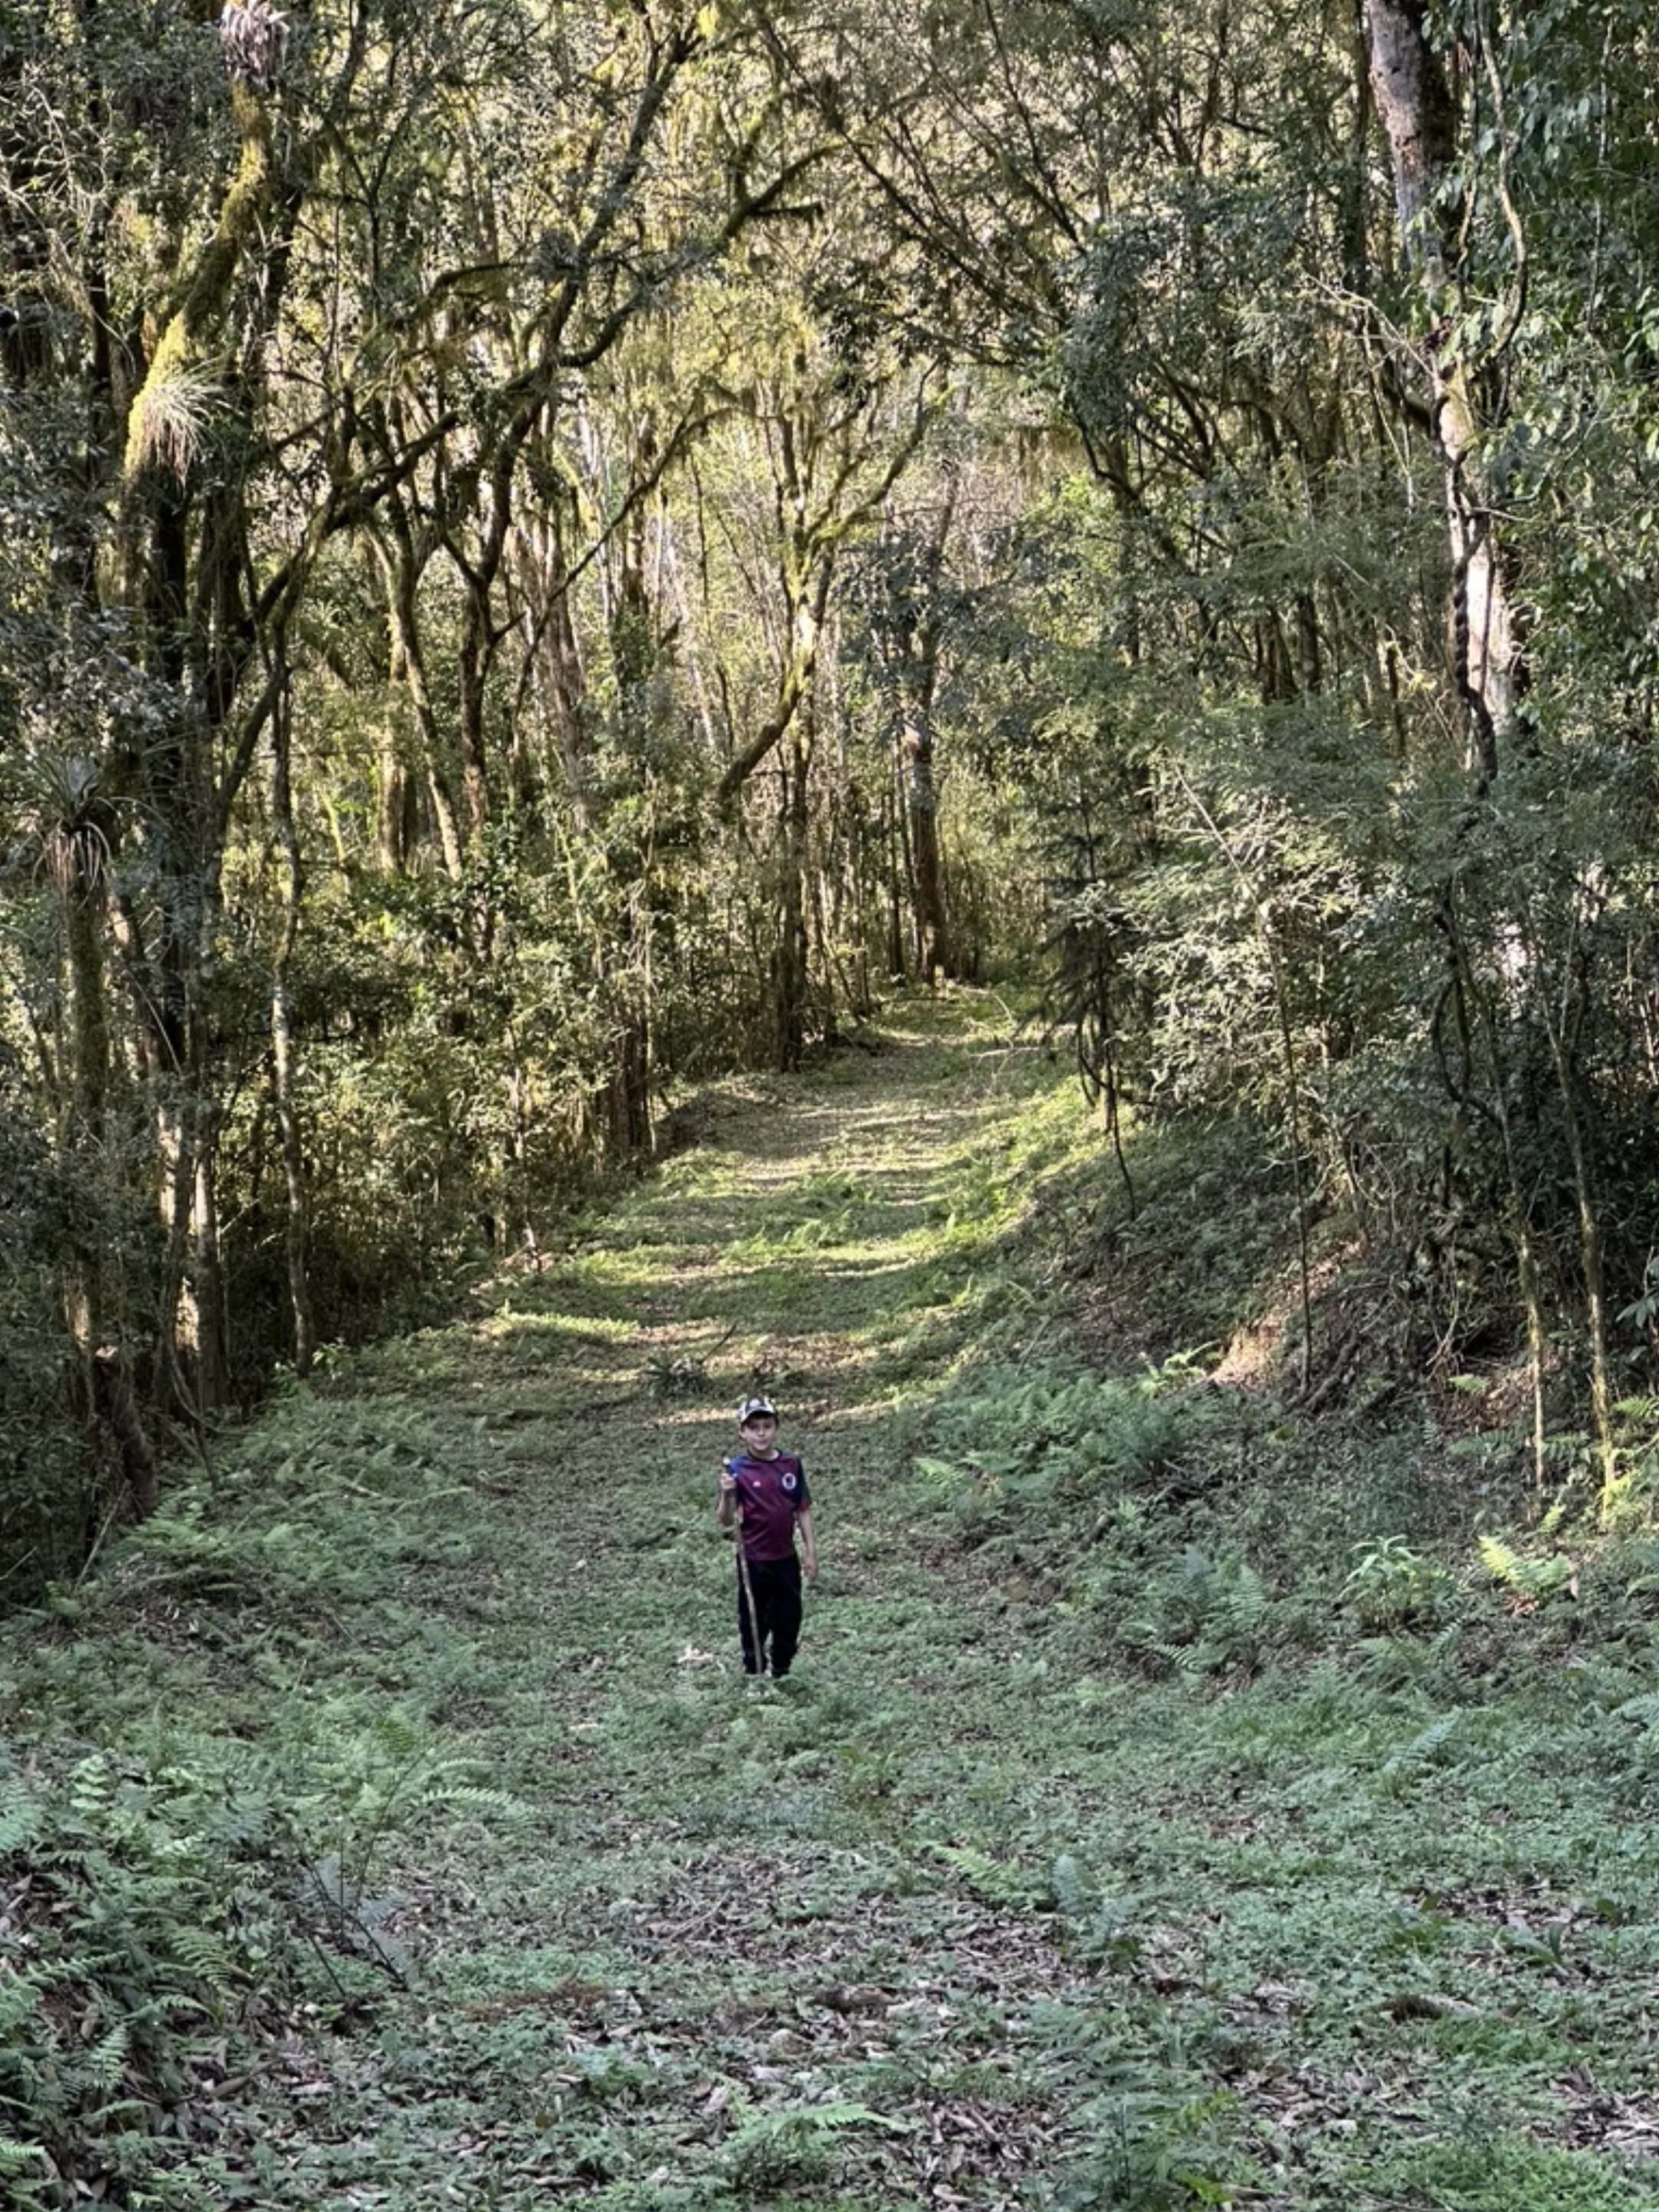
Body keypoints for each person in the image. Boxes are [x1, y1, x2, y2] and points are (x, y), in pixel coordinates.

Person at [716, 1395, 817, 1679]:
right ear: (742, 1432)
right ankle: (754, 1674)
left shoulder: (791, 1464)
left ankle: (782, 1670)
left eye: (767, 1425)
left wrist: (811, 1551)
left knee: (789, 1617)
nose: (761, 1432)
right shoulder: (736, 1470)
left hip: (785, 1557)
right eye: (754, 1427)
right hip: (754, 1559)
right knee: (753, 1619)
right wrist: (726, 1493)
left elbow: (803, 1509)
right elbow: (725, 1521)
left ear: (776, 1428)